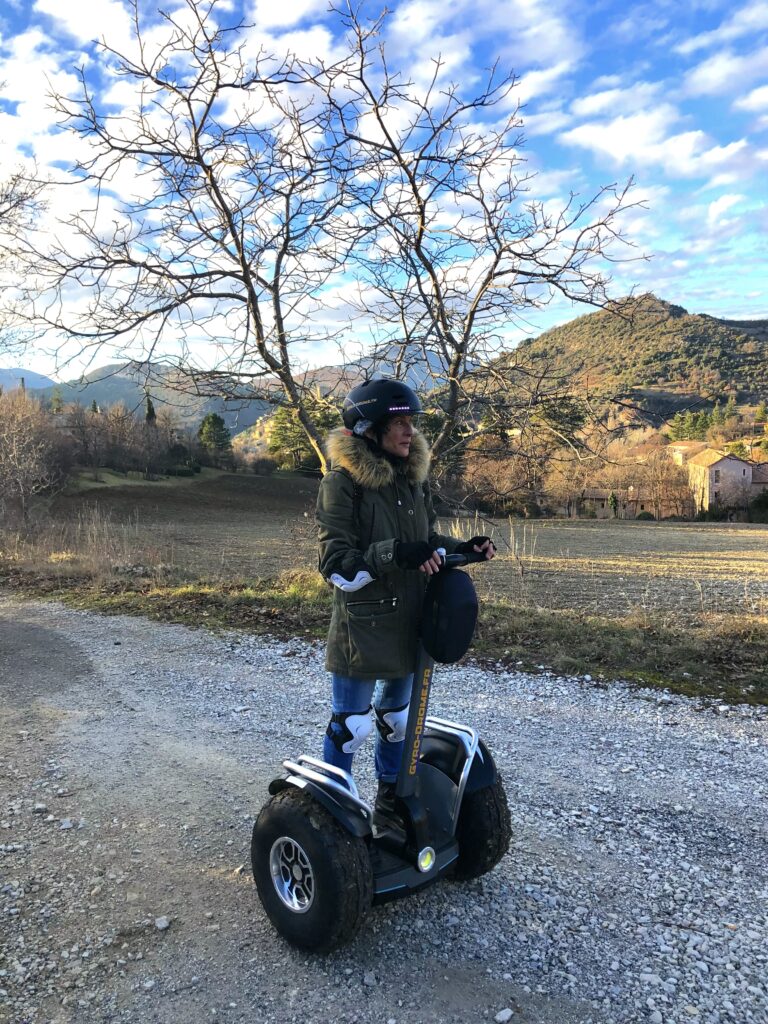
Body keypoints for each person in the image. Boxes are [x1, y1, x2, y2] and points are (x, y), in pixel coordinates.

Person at [316, 377, 495, 820]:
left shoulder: (412, 481)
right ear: (368, 430)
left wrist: (462, 551)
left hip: (411, 625)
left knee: (397, 723)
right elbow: (336, 566)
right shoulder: (343, 484)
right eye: (397, 422)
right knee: (351, 728)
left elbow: (427, 542)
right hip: (365, 627)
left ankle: (391, 803)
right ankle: (333, 816)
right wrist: (395, 554)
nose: (408, 431)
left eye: (411, 421)